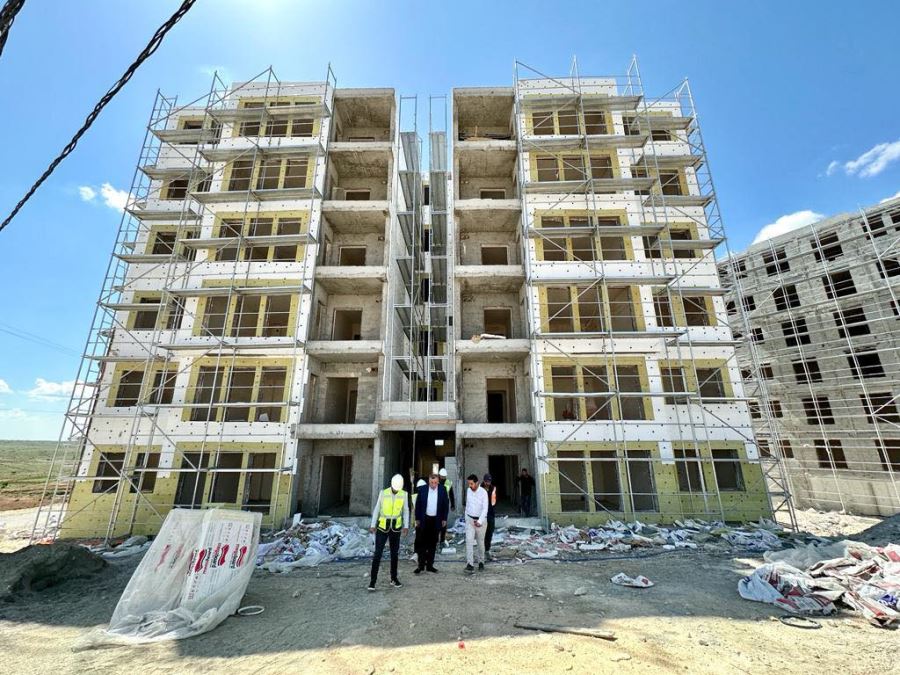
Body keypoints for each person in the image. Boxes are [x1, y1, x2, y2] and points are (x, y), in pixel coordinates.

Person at [368, 474, 408, 591]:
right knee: (377, 554)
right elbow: (377, 509)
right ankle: (372, 582)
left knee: (394, 554)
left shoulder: (404, 494)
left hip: (396, 528)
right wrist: (373, 525)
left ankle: (394, 578)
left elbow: (405, 511)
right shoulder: (383, 493)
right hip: (382, 527)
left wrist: (406, 526)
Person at [413, 473, 449, 574]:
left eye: (435, 483)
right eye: (431, 482)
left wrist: (444, 519)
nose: (433, 485)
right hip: (425, 519)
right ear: (429, 481)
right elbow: (418, 505)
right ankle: (420, 566)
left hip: (436, 520)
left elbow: (445, 505)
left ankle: (430, 565)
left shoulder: (442, 489)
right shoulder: (423, 489)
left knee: (433, 543)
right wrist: (417, 518)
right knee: (422, 543)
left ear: (438, 482)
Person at [463, 474, 488, 573]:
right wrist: (466, 518)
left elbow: (485, 508)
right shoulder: (468, 491)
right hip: (470, 520)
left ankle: (481, 562)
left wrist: (479, 521)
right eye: (469, 484)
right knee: (469, 541)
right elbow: (468, 505)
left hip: (481, 522)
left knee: (480, 543)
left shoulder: (483, 493)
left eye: (471, 484)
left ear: (477, 483)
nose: (470, 486)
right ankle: (470, 564)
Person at [481, 473, 498, 560]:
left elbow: (494, 501)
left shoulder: (493, 488)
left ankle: (487, 550)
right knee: (482, 534)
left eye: (489, 481)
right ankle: (482, 552)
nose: (488, 483)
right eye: (487, 481)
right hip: (482, 515)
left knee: (489, 533)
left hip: (490, 514)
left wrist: (492, 510)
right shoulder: (479, 489)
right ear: (484, 481)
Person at [438, 467, 455, 546]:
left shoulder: (448, 483)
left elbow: (451, 494)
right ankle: (437, 538)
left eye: (444, 477)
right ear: (439, 476)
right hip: (437, 504)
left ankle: (442, 540)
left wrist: (453, 505)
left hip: (445, 504)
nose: (443, 478)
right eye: (442, 477)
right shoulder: (436, 482)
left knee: (444, 521)